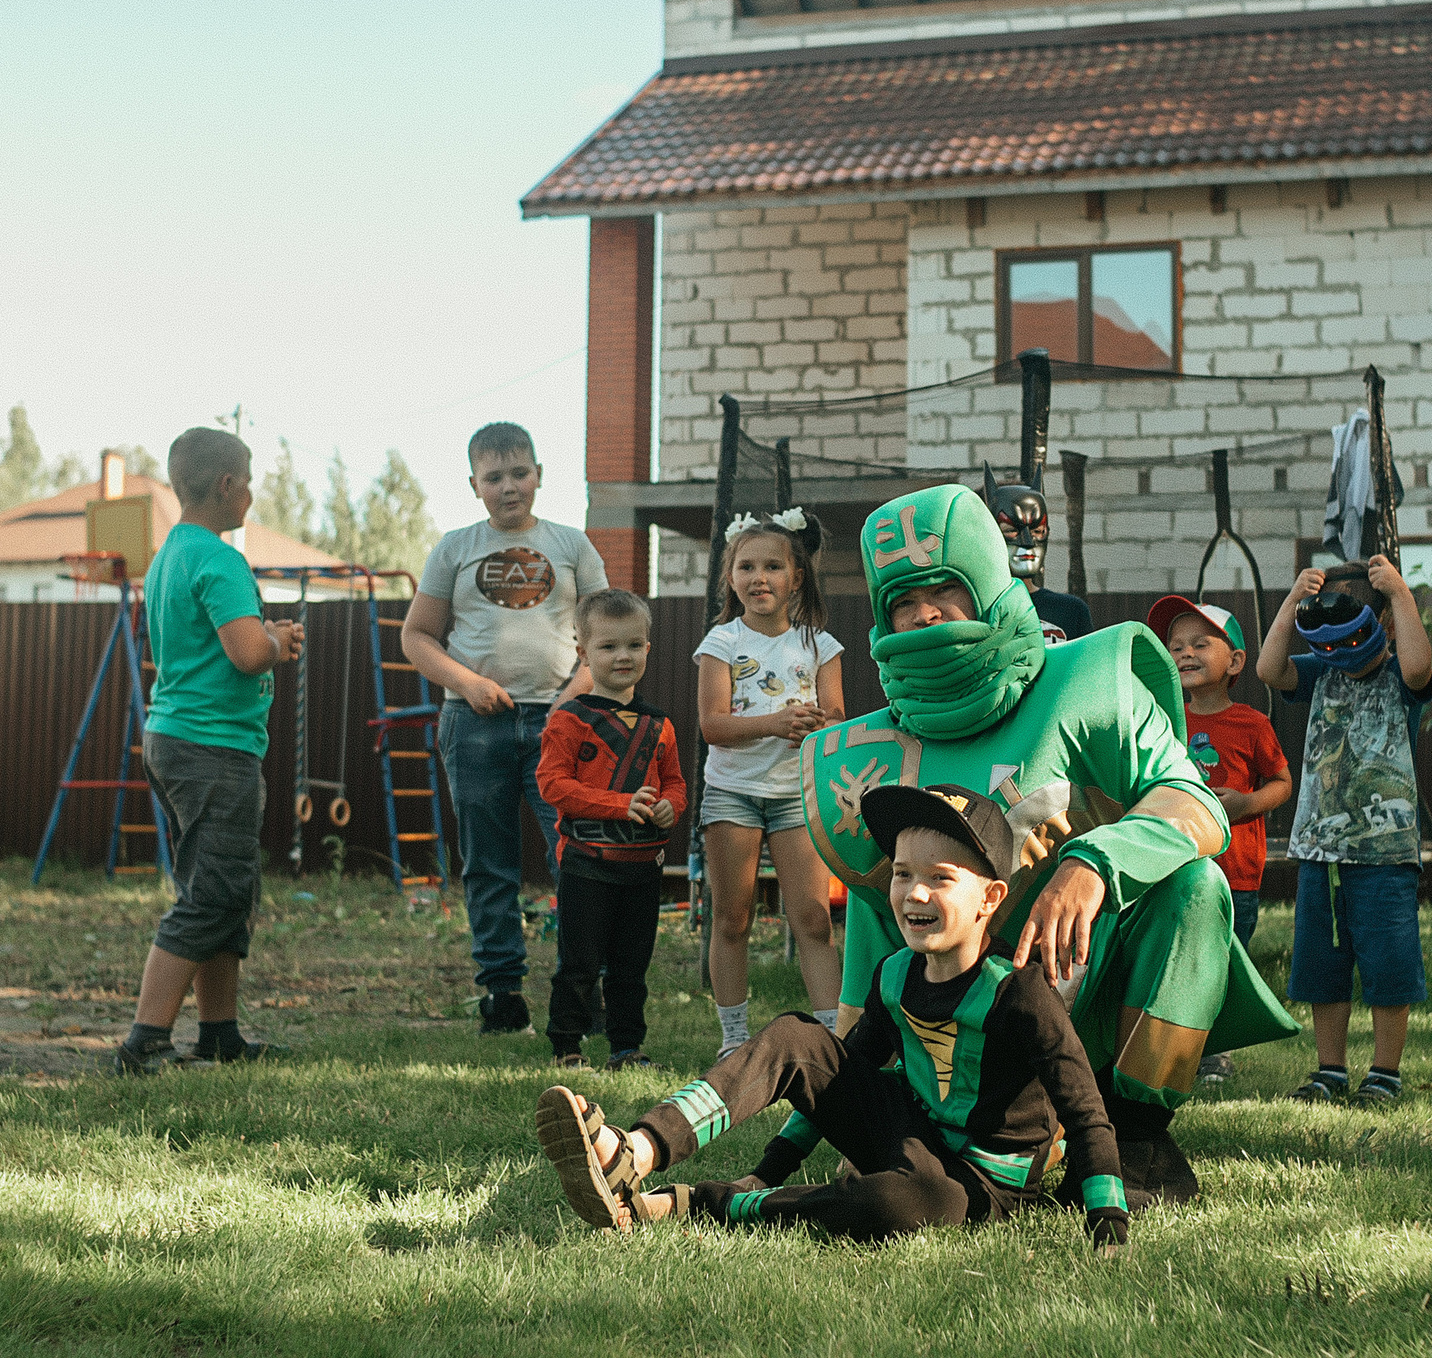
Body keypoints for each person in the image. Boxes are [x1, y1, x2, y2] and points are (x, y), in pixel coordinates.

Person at [796, 484, 1298, 1204]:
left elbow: (1194, 803)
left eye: (944, 587)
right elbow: (874, 938)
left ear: (992, 585)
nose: (924, 611)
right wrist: (853, 1114)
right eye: (903, 599)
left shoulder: (1088, 683)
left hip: (1087, 989)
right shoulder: (864, 753)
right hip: (962, 1031)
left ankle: (1134, 1133)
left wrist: (1095, 863)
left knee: (1197, 887)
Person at [535, 783, 1129, 1254]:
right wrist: (768, 1168)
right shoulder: (895, 974)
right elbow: (837, 1081)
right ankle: (635, 1151)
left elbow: (1083, 1108)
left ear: (991, 898)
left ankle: (701, 1204)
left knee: (893, 1206)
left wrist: (1106, 1216)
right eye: (902, 874)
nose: (915, 894)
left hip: (980, 1188)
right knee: (800, 1037)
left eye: (941, 878)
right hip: (912, 1139)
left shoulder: (1021, 993)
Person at [400, 421, 607, 1036]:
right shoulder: (454, 548)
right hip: (477, 724)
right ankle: (502, 993)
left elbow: (607, 635)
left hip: (563, 724)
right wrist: (466, 683)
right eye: (494, 477)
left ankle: (580, 988)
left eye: (520, 473)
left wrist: (575, 695)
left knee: (577, 856)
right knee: (488, 863)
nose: (509, 486)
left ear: (539, 474)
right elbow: (416, 636)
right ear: (474, 485)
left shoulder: (572, 546)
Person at [116, 427, 303, 1075]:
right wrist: (277, 640)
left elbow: (206, 642)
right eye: (248, 482)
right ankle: (144, 1040)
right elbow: (247, 652)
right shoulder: (220, 558)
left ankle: (219, 1033)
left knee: (224, 888)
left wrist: (264, 634)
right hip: (211, 747)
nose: (250, 495)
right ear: (227, 485)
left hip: (176, 739)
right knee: (212, 895)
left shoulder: (171, 552)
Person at [1253, 556, 1432, 1106]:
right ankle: (1329, 1070)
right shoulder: (1322, 670)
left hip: (1386, 853)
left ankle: (1384, 1073)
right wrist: (1291, 602)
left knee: (1389, 963)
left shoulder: (1398, 676)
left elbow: (1420, 668)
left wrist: (1400, 593)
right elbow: (1268, 670)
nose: (1340, 652)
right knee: (1322, 967)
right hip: (1321, 851)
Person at [693, 507, 846, 1054]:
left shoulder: (820, 646)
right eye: (746, 567)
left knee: (811, 917)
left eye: (773, 567)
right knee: (732, 918)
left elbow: (836, 719)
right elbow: (712, 726)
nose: (759, 578)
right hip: (733, 794)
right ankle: (734, 1041)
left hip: (794, 797)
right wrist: (776, 722)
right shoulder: (721, 643)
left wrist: (814, 726)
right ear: (730, 577)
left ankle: (833, 1038)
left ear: (796, 577)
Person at [1147, 596, 1293, 1086]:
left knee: (1228, 961)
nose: (1184, 653)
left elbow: (1281, 782)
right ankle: (1177, 1044)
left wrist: (1244, 805)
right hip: (1176, 866)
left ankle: (1219, 1052)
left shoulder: (1251, 724)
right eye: (1175, 645)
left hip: (1236, 872)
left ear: (1234, 661)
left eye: (1199, 644)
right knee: (1181, 957)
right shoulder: (1162, 720)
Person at [536, 588, 685, 1070]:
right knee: (578, 964)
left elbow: (677, 784)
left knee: (630, 968)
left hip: (643, 869)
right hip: (585, 866)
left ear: (647, 648)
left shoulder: (660, 725)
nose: (622, 655)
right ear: (583, 653)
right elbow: (552, 785)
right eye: (607, 646)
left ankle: (626, 1047)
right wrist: (620, 805)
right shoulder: (568, 720)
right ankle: (567, 1047)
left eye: (633, 644)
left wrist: (669, 808)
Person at [984, 471, 1091, 643]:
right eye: (1011, 530)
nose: (1028, 543)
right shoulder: (973, 611)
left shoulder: (1070, 611)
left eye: (1037, 531)